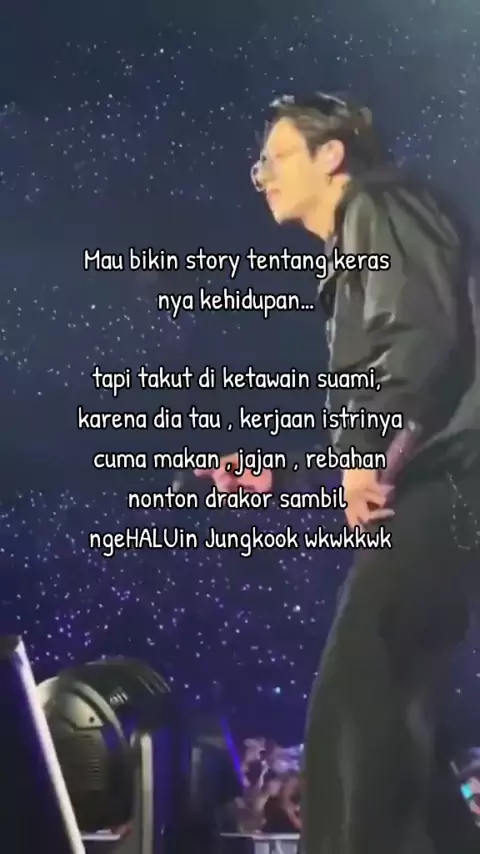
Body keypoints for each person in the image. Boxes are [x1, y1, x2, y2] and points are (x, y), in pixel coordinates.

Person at [195, 91, 480, 853]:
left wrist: (361, 458)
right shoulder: (359, 243)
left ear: (331, 155)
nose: (261, 175)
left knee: (361, 703)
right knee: (396, 724)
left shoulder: (378, 205)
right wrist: (288, 475)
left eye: (275, 157)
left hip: (456, 484)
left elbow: (418, 340)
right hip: (445, 486)